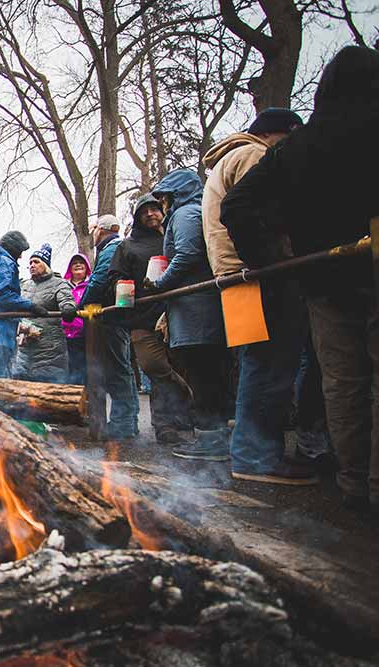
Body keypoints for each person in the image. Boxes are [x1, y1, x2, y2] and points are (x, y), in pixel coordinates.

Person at [222, 46, 379, 507]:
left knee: (343, 380)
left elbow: (239, 208)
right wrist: (269, 263)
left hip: (321, 279)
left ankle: (354, 482)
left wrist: (273, 256)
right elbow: (237, 208)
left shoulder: (298, 148)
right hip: (348, 274)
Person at [195, 107, 313, 477]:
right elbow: (262, 213)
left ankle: (251, 452)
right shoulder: (253, 155)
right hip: (256, 274)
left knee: (257, 364)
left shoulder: (228, 160)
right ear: (275, 134)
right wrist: (274, 257)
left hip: (235, 276)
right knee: (269, 366)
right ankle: (257, 457)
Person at [147, 170, 231, 457]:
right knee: (207, 374)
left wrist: (160, 283)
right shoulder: (192, 212)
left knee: (202, 374)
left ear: (176, 194)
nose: (162, 205)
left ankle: (211, 442)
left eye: (164, 198)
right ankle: (215, 436)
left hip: (196, 312)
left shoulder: (185, 214)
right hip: (198, 310)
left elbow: (186, 254)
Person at [110, 194, 192, 447]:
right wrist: (125, 292)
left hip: (178, 314)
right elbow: (116, 276)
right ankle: (185, 400)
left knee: (179, 367)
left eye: (154, 209)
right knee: (155, 367)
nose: (150, 214)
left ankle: (168, 424)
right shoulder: (128, 246)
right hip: (143, 319)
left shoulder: (174, 236)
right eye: (144, 211)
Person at [82, 214, 139, 441]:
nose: (93, 234)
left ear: (102, 230)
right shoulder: (115, 248)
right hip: (117, 317)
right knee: (121, 368)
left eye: (94, 229)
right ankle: (127, 421)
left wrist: (81, 305)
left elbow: (98, 281)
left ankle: (122, 423)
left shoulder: (111, 249)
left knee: (117, 370)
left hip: (112, 318)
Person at [0, 231, 40, 378]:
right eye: (20, 251)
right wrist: (30, 305)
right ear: (13, 248)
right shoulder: (5, 262)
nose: (20, 256)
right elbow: (1, 294)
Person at [14, 244, 77, 383]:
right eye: (30, 262)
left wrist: (68, 308)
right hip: (24, 349)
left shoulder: (59, 284)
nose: (32, 265)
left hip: (49, 350)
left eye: (36, 262)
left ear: (46, 265)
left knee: (49, 388)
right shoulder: (25, 285)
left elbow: (67, 301)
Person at [63, 253, 92, 384]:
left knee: (85, 370)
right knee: (68, 371)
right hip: (65, 335)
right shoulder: (63, 287)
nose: (78, 265)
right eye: (74, 263)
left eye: (81, 263)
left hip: (86, 335)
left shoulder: (91, 285)